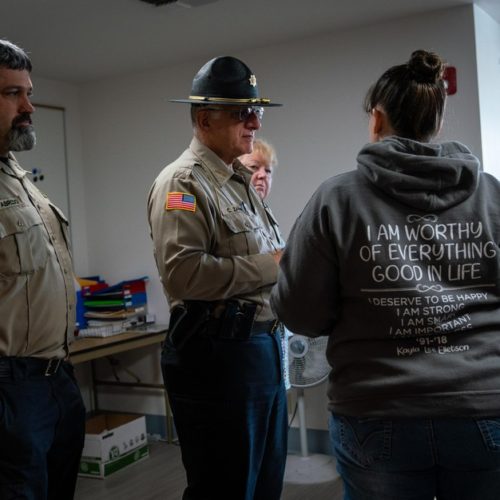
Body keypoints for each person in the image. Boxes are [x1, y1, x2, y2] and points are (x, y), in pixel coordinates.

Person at [271, 49, 500, 500]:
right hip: (485, 408)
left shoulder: (336, 199)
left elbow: (300, 314)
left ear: (377, 119)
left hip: (377, 413)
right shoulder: (492, 196)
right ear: (436, 119)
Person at [147, 56, 287, 500]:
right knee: (226, 487)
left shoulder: (237, 182)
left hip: (260, 349)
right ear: (205, 119)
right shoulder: (182, 183)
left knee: (264, 482)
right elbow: (185, 275)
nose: (253, 123)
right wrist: (274, 265)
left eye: (256, 112)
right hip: (218, 356)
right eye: (241, 113)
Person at [0, 40, 85, 499]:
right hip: (11, 387)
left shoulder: (17, 174)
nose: (29, 106)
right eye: (13, 94)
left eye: (28, 92)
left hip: (57, 375)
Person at [239, 139, 293, 391]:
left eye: (268, 170)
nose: (262, 175)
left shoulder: (264, 213)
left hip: (274, 334)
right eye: (253, 168)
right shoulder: (235, 214)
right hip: (246, 338)